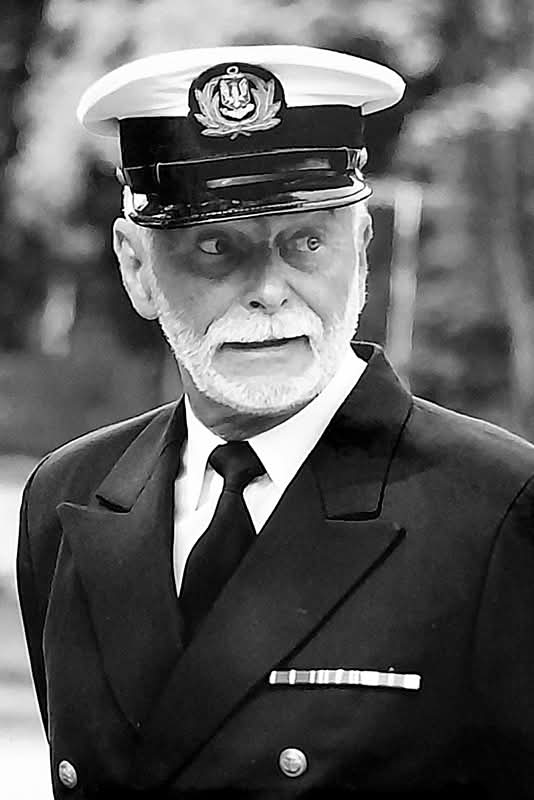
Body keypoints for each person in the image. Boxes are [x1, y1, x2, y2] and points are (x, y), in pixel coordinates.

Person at [17, 45, 534, 799]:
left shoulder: (500, 508)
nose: (268, 289)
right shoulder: (65, 496)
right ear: (137, 268)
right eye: (215, 246)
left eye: (306, 242)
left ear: (361, 250)